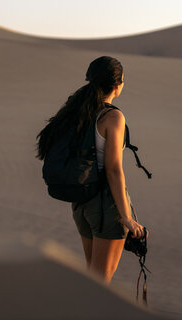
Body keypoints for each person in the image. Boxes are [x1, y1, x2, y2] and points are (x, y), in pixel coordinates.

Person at [36, 56, 146, 284]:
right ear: (118, 85)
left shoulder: (78, 111)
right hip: (106, 205)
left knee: (92, 279)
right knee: (100, 285)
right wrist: (127, 217)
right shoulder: (112, 116)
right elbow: (114, 169)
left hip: (82, 203)